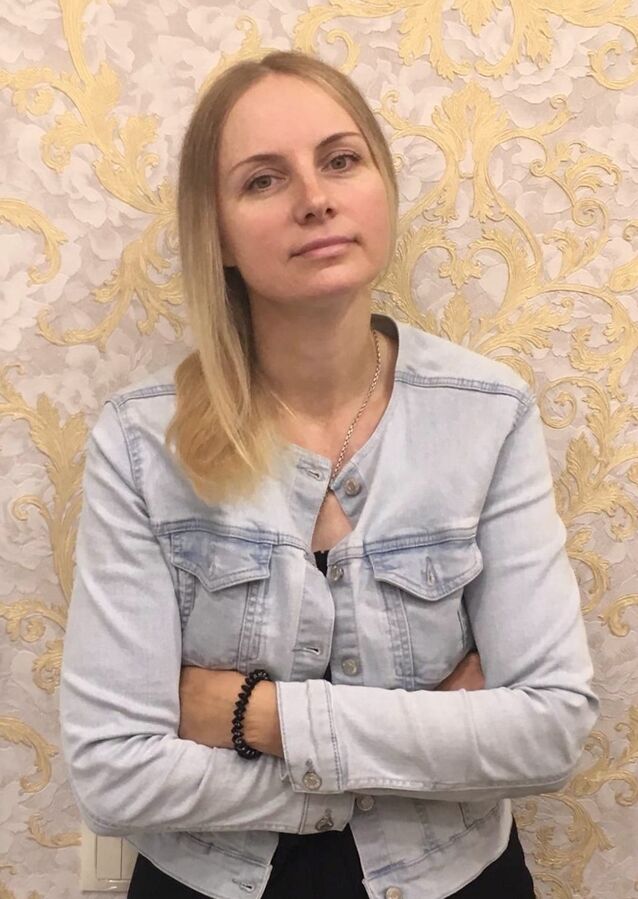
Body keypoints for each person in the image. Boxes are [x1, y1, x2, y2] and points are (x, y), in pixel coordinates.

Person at [59, 50, 598, 899]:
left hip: (454, 876)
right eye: (263, 180)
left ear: (382, 186)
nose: (315, 198)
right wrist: (424, 747)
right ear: (217, 232)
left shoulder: (487, 412)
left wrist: (255, 716)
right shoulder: (141, 442)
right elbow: (113, 774)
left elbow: (550, 729)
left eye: (341, 160)